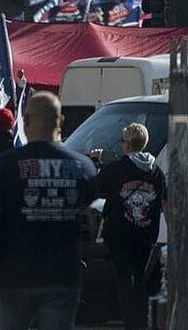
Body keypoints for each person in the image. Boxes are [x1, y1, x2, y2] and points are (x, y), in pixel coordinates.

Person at [0, 92, 97, 330]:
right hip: (63, 277)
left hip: (16, 277)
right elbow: (89, 221)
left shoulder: (2, 168)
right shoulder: (84, 168)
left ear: (25, 121)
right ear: (61, 121)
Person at [93, 122, 167, 330]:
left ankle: (131, 323)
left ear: (127, 144)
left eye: (123, 141)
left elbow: (97, 188)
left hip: (120, 235)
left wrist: (99, 162)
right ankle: (142, 322)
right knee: (139, 280)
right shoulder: (157, 172)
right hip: (145, 234)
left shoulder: (117, 168)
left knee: (125, 281)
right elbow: (163, 201)